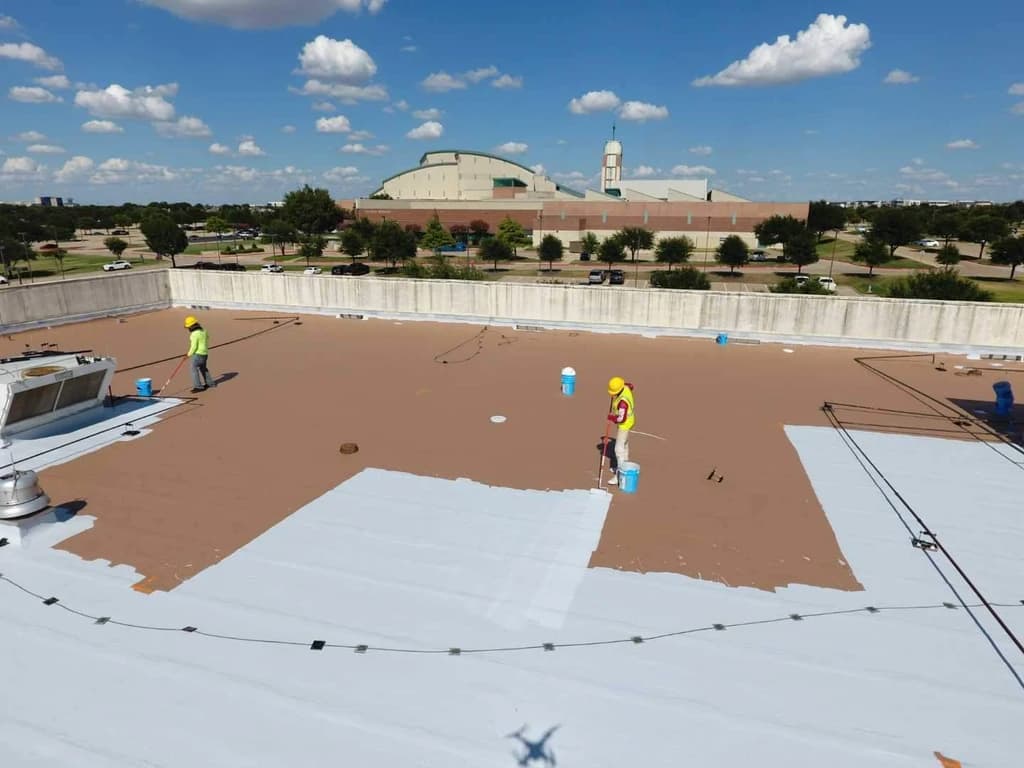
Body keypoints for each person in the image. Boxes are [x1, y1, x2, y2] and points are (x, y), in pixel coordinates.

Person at [606, 376, 635, 485]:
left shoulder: (623, 403)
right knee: (624, 444)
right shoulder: (625, 387)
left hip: (624, 424)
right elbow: (631, 386)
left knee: (618, 449)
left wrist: (612, 418)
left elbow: (621, 419)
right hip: (630, 421)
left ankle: (619, 474)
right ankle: (625, 465)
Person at [184, 315, 216, 393]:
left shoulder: (194, 334)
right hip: (205, 353)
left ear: (191, 326)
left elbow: (194, 347)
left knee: (193, 369)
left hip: (197, 355)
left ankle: (198, 386)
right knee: (203, 368)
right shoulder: (204, 331)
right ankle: (210, 383)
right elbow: (207, 338)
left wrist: (188, 355)